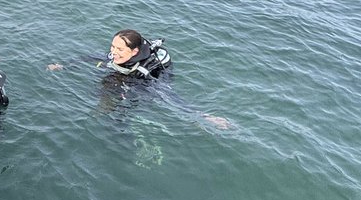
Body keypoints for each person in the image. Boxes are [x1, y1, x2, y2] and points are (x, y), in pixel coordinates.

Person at [49, 29, 231, 128]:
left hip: (148, 81)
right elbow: (91, 58)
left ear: (134, 51)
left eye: (120, 49)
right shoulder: (117, 55)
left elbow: (169, 96)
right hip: (127, 74)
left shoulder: (145, 70)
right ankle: (104, 113)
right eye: (113, 46)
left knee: (118, 89)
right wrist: (64, 65)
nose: (113, 52)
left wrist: (201, 116)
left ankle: (112, 119)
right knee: (108, 83)